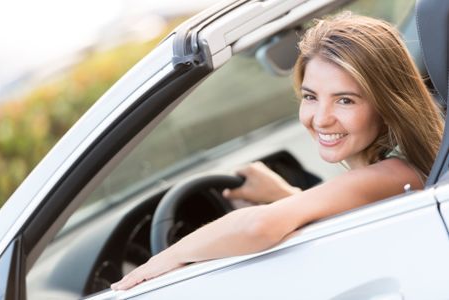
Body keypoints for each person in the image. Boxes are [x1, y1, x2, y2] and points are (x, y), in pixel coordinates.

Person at [111, 12, 443, 290]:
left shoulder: (396, 174)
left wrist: (167, 259)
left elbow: (258, 227)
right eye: (311, 96)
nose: (320, 119)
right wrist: (288, 196)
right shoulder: (399, 172)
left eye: (345, 100)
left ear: (387, 104)